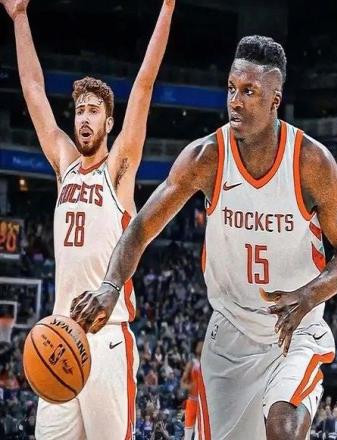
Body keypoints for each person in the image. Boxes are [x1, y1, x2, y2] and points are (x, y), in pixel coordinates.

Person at [71, 35, 337, 440]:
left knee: (283, 425)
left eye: (249, 92)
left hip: (295, 329)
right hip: (230, 334)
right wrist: (109, 286)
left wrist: (309, 295)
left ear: (275, 100)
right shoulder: (205, 158)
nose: (235, 101)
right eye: (231, 88)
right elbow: (139, 228)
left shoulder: (310, 162)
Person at [0, 0, 176, 438]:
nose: (84, 117)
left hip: (107, 335)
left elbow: (143, 86)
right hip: (59, 334)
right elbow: (33, 89)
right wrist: (20, 17)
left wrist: (168, 7)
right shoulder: (65, 165)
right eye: (79, 110)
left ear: (109, 123)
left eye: (94, 110)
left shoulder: (117, 170)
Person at [180, 340, 203, 440]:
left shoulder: (207, 364)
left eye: (203, 344)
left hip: (202, 403)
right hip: (192, 400)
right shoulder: (192, 363)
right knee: (188, 434)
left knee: (199, 432)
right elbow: (182, 382)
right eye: (200, 344)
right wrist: (189, 387)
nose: (201, 345)